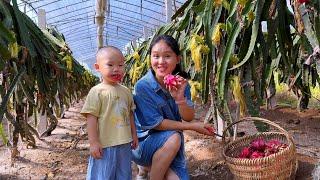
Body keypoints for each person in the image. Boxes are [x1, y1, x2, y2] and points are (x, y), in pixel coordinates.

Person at [132, 35, 215, 180]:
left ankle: (151, 168)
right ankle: (147, 167)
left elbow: (188, 117)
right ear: (150, 58)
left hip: (170, 149)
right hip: (143, 146)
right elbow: (157, 124)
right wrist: (193, 127)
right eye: (156, 56)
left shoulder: (182, 84)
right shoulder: (142, 87)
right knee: (174, 137)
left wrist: (180, 99)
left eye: (167, 56)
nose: (161, 62)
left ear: (178, 59)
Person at [80, 46, 138, 180]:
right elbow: (91, 118)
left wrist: (134, 134)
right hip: (105, 145)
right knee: (103, 175)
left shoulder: (126, 91)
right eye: (110, 65)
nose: (116, 69)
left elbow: (130, 114)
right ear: (97, 67)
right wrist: (94, 142)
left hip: (124, 143)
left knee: (124, 175)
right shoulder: (97, 92)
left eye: (120, 65)